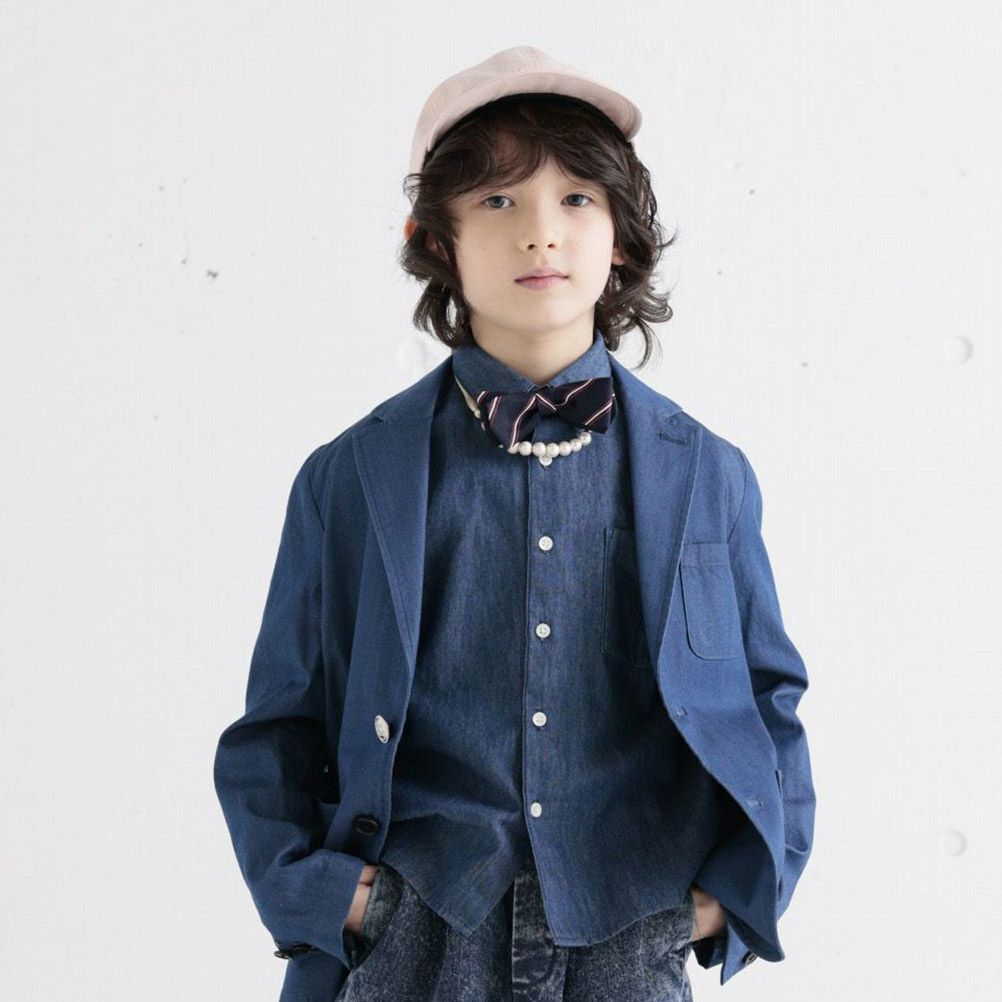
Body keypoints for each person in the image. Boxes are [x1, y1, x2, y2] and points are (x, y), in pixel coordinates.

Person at [213, 45, 816, 1002]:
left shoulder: (707, 473)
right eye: (497, 200)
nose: (541, 233)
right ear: (436, 239)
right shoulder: (351, 477)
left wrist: (727, 901)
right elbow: (279, 725)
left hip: (631, 929)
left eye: (577, 198)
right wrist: (337, 901)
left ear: (622, 237)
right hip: (413, 935)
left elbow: (767, 702)